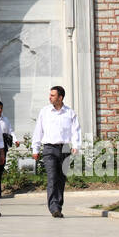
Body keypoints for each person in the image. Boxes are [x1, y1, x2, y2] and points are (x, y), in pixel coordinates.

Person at [31, 86, 80, 218]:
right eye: (50, 95)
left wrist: (76, 146)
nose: (50, 97)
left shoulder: (70, 113)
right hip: (49, 149)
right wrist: (35, 148)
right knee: (52, 177)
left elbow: (76, 131)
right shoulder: (45, 112)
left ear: (60, 97)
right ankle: (54, 207)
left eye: (53, 95)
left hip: (64, 149)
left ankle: (58, 205)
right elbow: (38, 131)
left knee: (61, 179)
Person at [0, 100, 12, 168]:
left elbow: (10, 130)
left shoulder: (5, 119)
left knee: (1, 164)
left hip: (3, 145)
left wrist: (15, 140)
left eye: (1, 108)